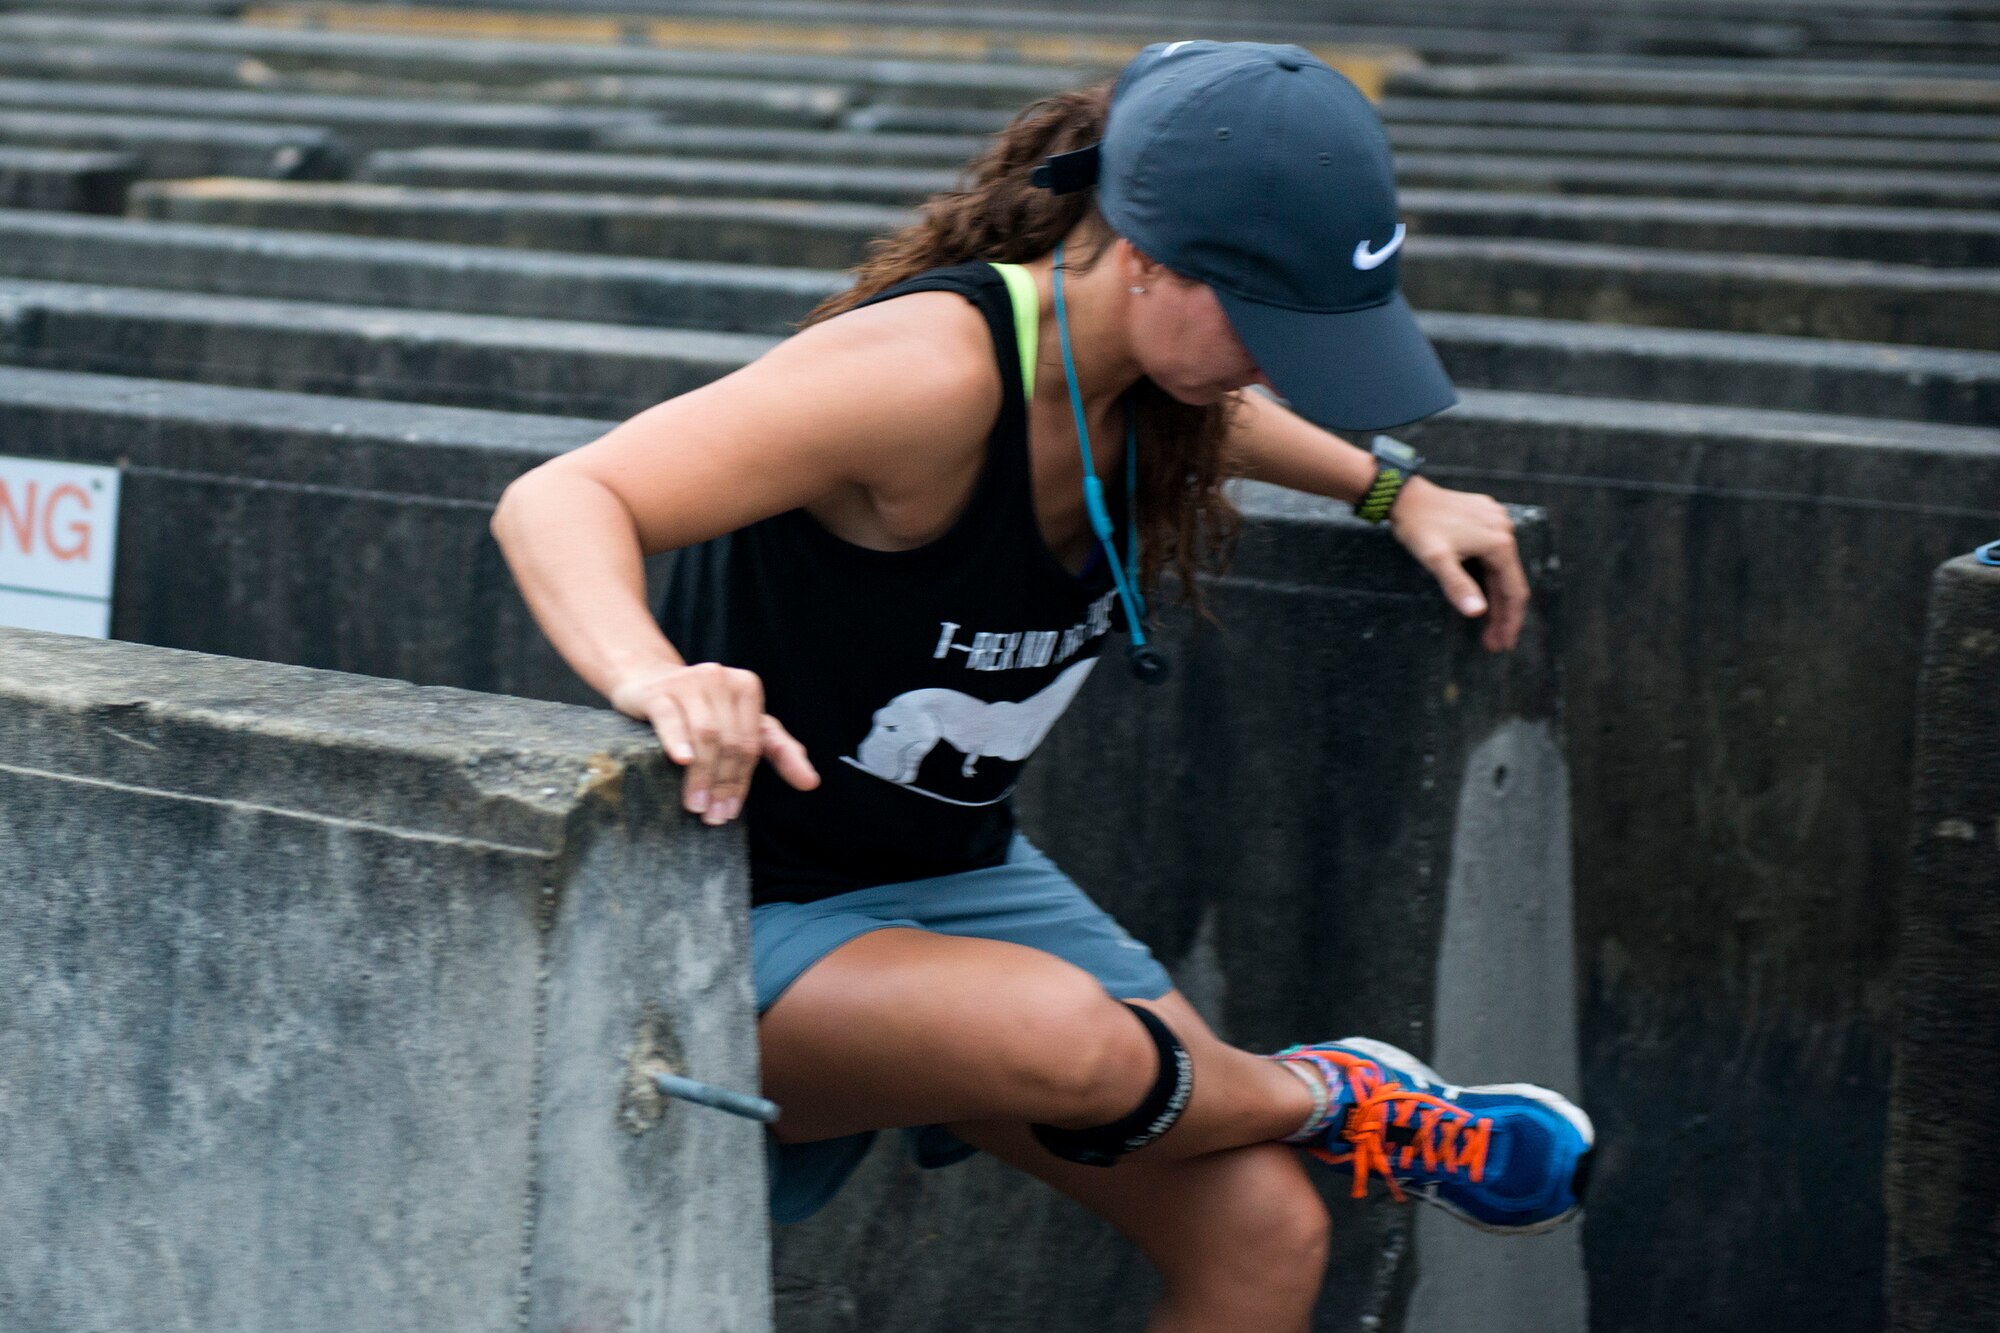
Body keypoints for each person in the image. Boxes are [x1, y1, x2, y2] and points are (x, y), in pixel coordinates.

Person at [492, 40, 1591, 1332]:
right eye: (1269, 324)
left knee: (1266, 1228)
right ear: (1148, 257)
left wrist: (1398, 490)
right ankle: (1335, 1093)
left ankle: (1270, 1093)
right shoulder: (926, 376)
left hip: (953, 869)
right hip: (729, 892)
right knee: (1077, 1044)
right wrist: (660, 676)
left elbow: (1224, 406)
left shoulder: (1155, 376)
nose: (1277, 366)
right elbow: (562, 494)